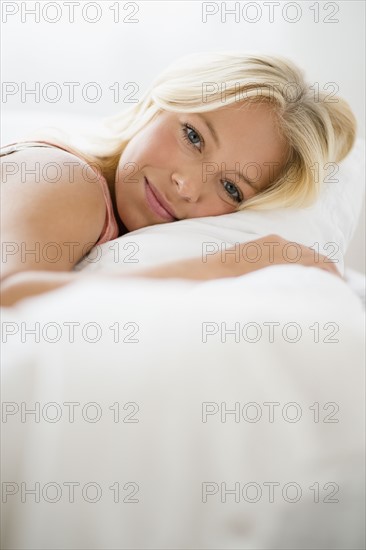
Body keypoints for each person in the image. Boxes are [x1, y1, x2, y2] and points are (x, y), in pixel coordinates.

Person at [0, 52, 356, 306]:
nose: (188, 186)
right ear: (161, 102)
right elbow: (7, 297)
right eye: (193, 137)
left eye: (231, 187)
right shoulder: (66, 178)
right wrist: (230, 264)